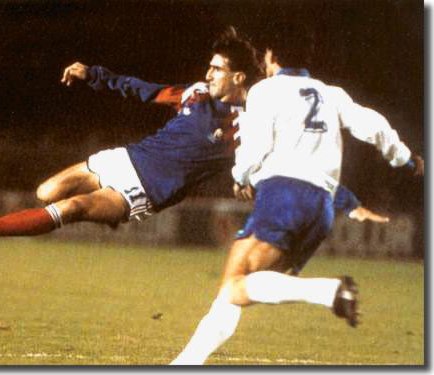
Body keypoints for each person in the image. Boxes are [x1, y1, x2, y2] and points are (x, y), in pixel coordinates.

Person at [0, 27, 385, 240]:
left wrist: (344, 202)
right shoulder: (193, 94)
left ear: (237, 78)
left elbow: (295, 163)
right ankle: (88, 215)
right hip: (125, 156)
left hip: (148, 190)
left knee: (75, 206)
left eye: (216, 69)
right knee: (46, 192)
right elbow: (146, 91)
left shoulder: (252, 122)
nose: (206, 72)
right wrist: (94, 74)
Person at [169, 25, 424, 365]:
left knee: (234, 286)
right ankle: (183, 365)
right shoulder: (330, 93)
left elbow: (255, 146)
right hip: (321, 208)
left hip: (284, 194)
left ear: (271, 56)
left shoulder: (265, 91)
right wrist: (404, 158)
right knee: (239, 289)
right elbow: (373, 125)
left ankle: (327, 291)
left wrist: (240, 175)